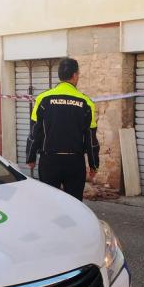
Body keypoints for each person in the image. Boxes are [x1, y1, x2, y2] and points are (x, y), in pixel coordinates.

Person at [26, 57, 99, 201]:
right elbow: (91, 138)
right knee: (74, 204)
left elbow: (35, 132)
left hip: (49, 162)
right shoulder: (86, 102)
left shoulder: (43, 99)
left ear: (60, 75)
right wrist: (93, 164)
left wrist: (31, 157)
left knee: (49, 203)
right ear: (75, 75)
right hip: (74, 162)